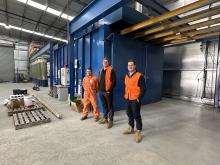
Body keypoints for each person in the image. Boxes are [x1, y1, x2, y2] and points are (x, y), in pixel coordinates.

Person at [123, 59, 146, 143]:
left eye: (132, 65)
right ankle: (131, 128)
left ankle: (139, 131)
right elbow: (126, 86)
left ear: (135, 66)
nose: (130, 66)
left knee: (136, 115)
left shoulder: (140, 76)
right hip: (128, 98)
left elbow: (144, 89)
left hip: (135, 99)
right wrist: (125, 95)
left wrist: (138, 98)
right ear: (127, 66)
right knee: (129, 114)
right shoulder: (126, 75)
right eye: (129, 65)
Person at [98, 57, 116, 128]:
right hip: (101, 92)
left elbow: (114, 82)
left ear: (108, 63)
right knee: (104, 105)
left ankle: (110, 120)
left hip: (107, 92)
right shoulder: (100, 71)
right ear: (102, 63)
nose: (105, 63)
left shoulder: (111, 70)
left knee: (110, 106)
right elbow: (99, 81)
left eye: (106, 62)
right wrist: (99, 90)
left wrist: (109, 90)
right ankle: (105, 119)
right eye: (104, 62)